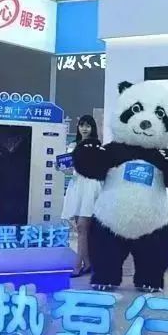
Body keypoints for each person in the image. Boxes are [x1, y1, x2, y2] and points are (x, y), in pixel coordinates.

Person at [61, 115, 102, 277]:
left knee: (82, 227)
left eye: (88, 126)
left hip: (90, 186)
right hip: (76, 186)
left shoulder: (97, 147)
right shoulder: (73, 146)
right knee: (80, 228)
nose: (84, 129)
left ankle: (77, 265)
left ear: (93, 128)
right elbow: (70, 169)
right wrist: (63, 169)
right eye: (82, 125)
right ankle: (88, 264)